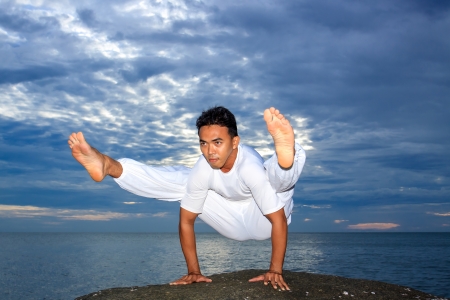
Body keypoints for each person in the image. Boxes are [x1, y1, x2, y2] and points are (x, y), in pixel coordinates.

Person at [68, 106, 306, 291]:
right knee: (186, 180)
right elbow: (186, 221)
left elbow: (277, 220)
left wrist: (275, 270)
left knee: (278, 185)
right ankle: (109, 165)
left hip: (263, 219)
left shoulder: (250, 167)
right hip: (230, 220)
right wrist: (193, 271)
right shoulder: (204, 166)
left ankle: (286, 160)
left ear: (235, 142)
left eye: (217, 142)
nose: (210, 151)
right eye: (203, 143)